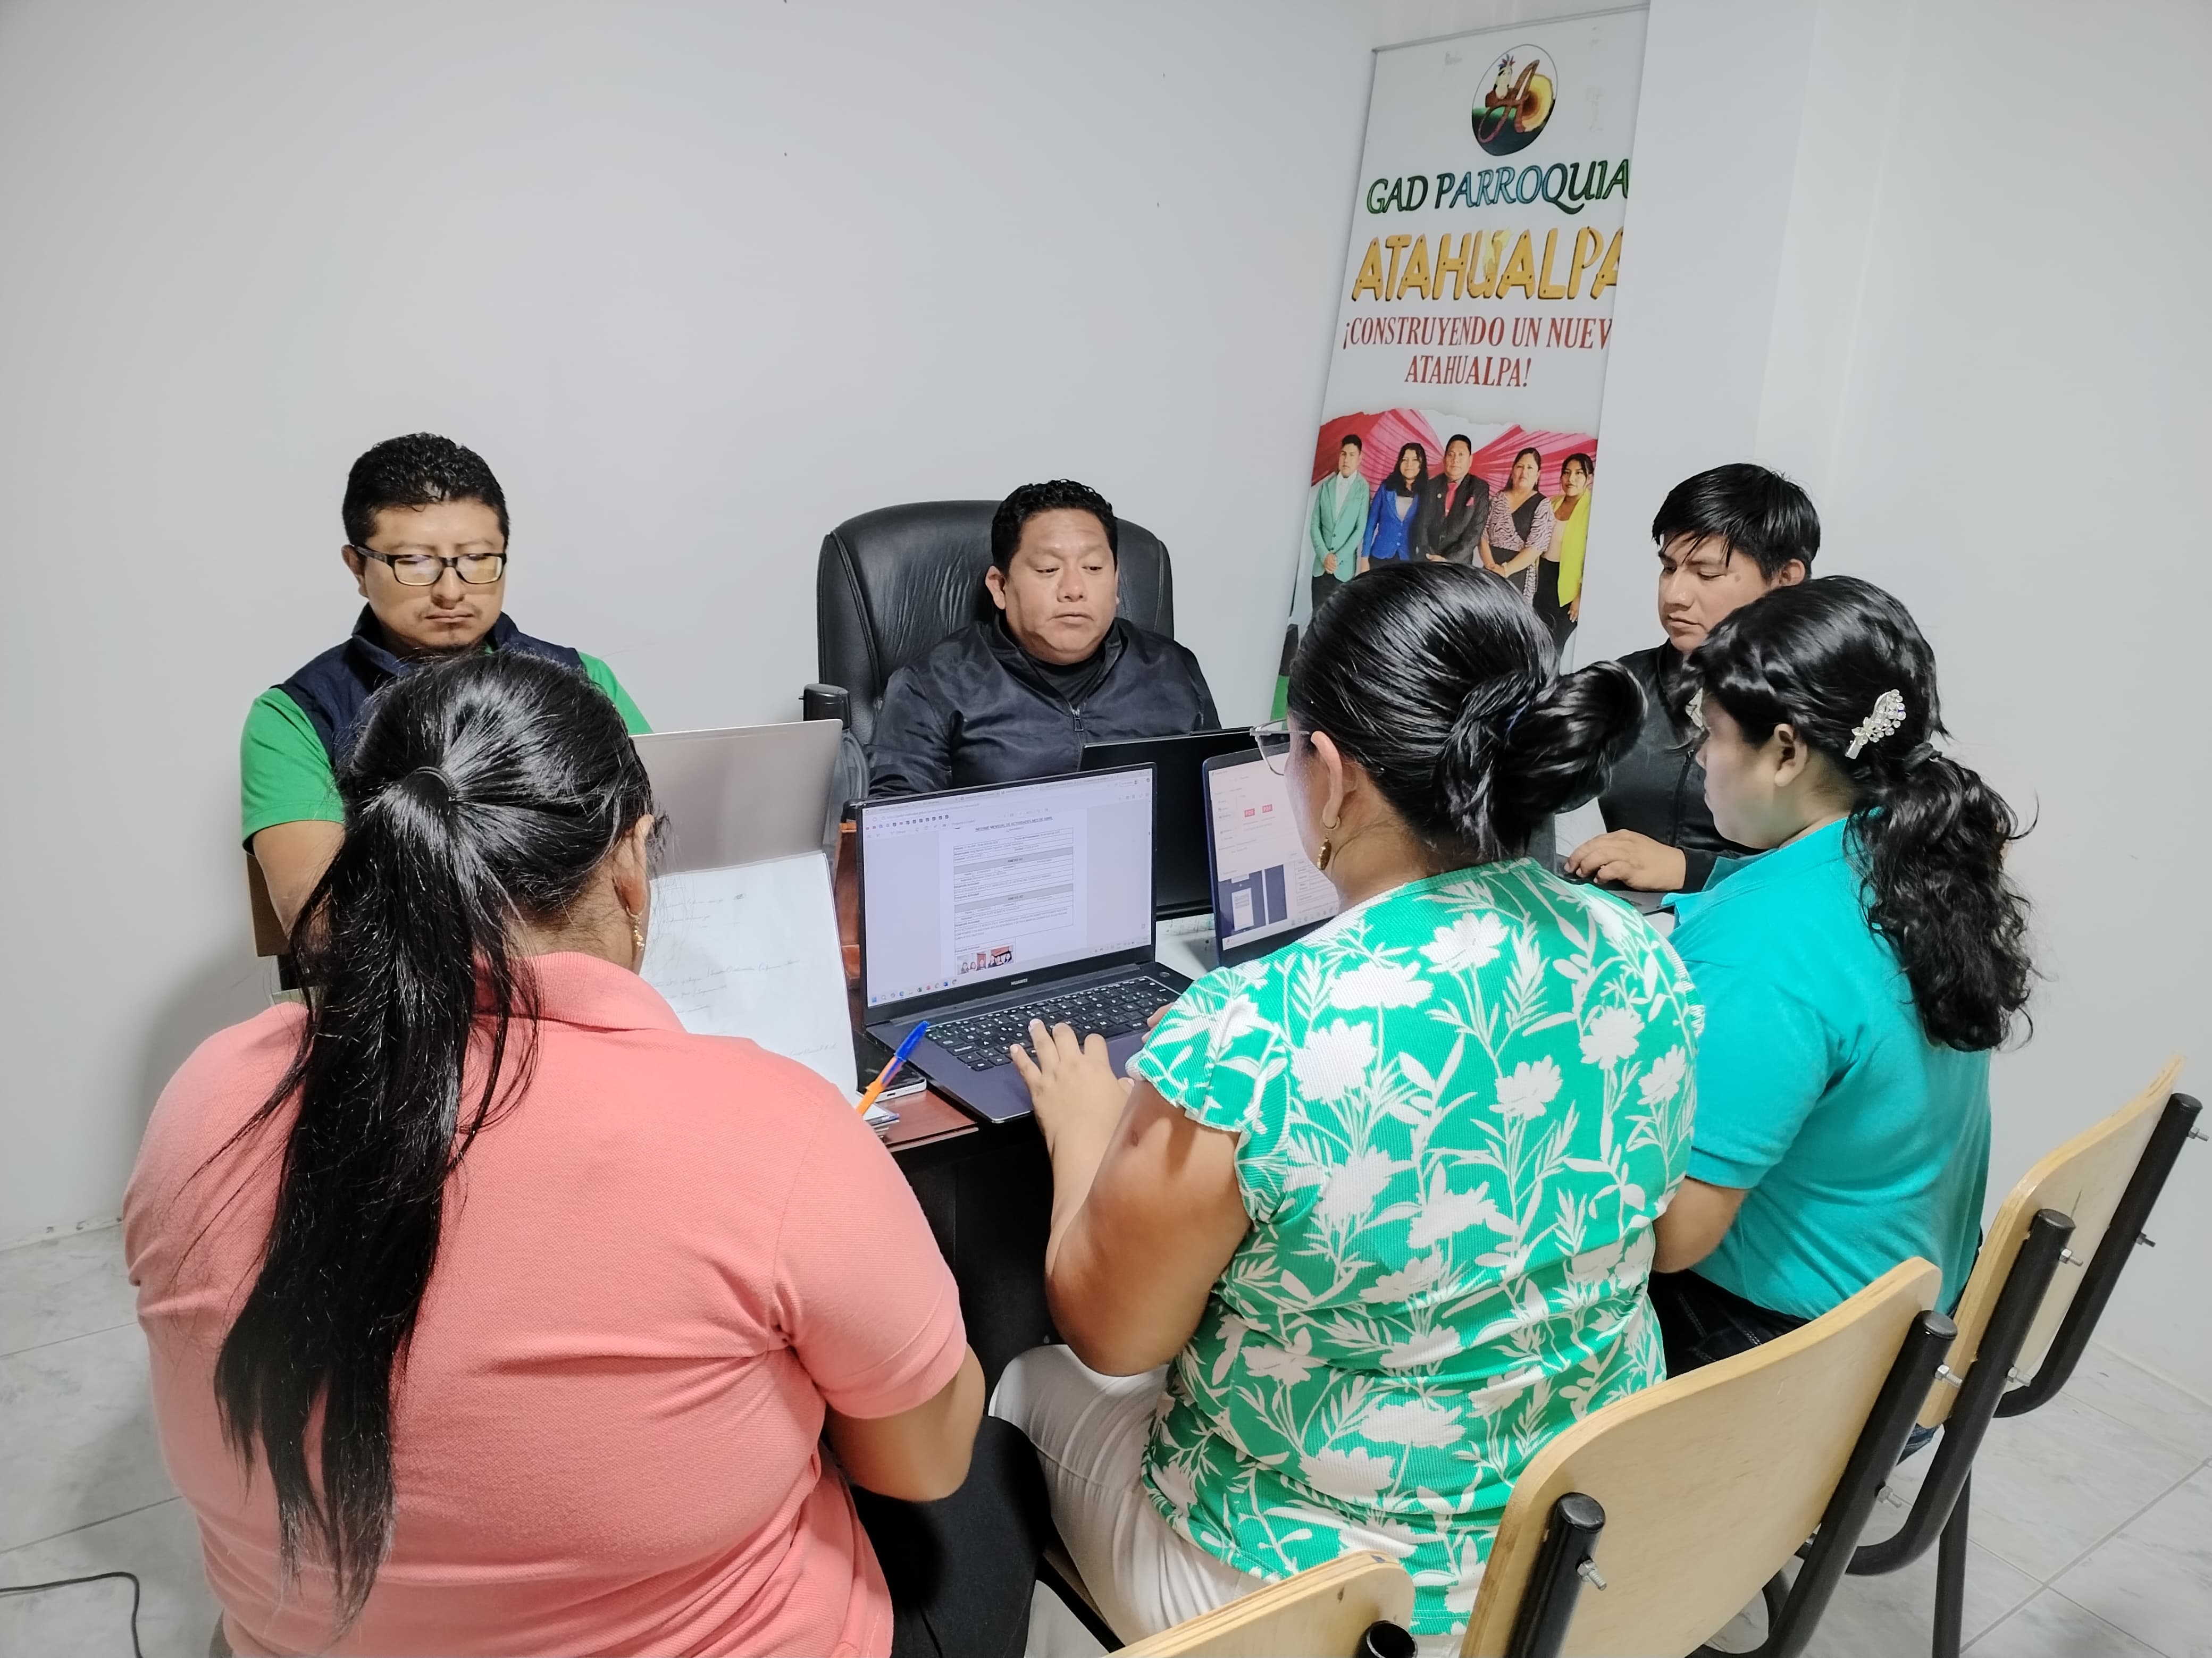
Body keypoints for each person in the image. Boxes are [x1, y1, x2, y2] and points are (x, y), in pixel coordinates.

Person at [131, 653, 1045, 1657]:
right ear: (631, 864)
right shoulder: (771, 1125)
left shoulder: (204, 1101)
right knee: (996, 1462)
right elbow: (920, 1461)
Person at [989, 563, 1699, 1650]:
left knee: (1028, 1374)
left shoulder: (1254, 1034)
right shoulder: (1642, 952)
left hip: (1322, 1598)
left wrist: (1085, 1130)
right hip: (1570, 1546)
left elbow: (1112, 1337)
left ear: (1330, 776)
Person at [1648, 577, 2032, 1373]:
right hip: (1906, 1327)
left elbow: (1676, 1238)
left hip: (1790, 1360)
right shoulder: (1914, 863)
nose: (1702, 757)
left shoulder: (1763, 952)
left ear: (1786, 751)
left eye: (1710, 732)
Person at [242, 433, 649, 933]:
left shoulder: (583, 678)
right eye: (415, 562)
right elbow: (324, 929)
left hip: (588, 967)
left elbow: (659, 853)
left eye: (477, 558)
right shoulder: (297, 717)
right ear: (358, 567)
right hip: (412, 983)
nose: (451, 591)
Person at [867, 479, 1219, 796]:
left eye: (1094, 568)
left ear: (1115, 582)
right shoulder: (932, 686)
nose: (1074, 589)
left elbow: (1217, 800)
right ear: (1000, 587)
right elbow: (893, 825)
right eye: (1049, 569)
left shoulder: (1173, 668)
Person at [1563, 463, 1819, 893]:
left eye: (1707, 573)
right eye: (1669, 568)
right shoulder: (1627, 683)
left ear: (1785, 579)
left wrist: (1690, 869)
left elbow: (1849, 858)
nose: (1675, 595)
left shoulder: (1821, 700)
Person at [1479, 447, 1561, 622]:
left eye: (1530, 468)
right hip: (1490, 571)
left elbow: (1535, 548)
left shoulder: (1542, 505)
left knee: (1511, 625)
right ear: (1513, 470)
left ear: (1538, 475)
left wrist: (1505, 570)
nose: (1524, 472)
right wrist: (1491, 567)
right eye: (1520, 466)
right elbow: (1482, 534)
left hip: (1518, 575)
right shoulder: (1498, 499)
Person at [1309, 434, 1370, 616]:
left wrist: (1337, 558)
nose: (1346, 459)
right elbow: (1314, 524)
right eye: (1343, 454)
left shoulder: (1363, 488)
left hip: (1343, 570)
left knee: (1337, 620)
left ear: (1360, 458)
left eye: (1352, 455)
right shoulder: (1326, 486)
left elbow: (1360, 528)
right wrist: (1325, 555)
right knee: (1317, 617)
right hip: (1321, 567)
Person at [1412, 433, 1490, 566]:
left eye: (1461, 455)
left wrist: (1447, 560)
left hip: (1458, 565)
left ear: (1470, 460)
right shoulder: (1431, 485)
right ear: (1444, 459)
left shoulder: (1479, 489)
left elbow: (1474, 533)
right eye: (1451, 454)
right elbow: (1422, 524)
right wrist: (1429, 555)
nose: (1455, 460)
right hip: (1427, 562)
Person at [1549, 452, 1595, 644]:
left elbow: (1593, 557)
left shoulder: (1593, 510)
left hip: (1569, 589)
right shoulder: (1552, 503)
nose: (1571, 479)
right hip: (1543, 580)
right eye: (1567, 473)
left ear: (1589, 478)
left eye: (1578, 473)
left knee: (1556, 644)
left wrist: (1580, 595)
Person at [1361, 442, 1426, 569]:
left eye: (1414, 460)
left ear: (1422, 464)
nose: (1409, 464)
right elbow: (1371, 523)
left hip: (1407, 559)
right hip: (1380, 556)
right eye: (1405, 460)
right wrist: (1364, 557)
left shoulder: (1426, 492)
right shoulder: (1387, 488)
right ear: (1399, 463)